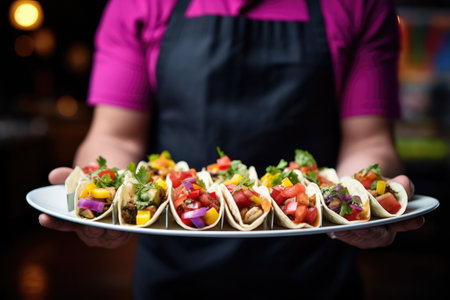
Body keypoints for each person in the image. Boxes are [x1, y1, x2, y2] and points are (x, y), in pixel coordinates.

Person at [39, 0, 425, 298]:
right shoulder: (137, 4)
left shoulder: (362, 5)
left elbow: (369, 140)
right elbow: (115, 137)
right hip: (173, 271)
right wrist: (99, 201)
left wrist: (364, 204)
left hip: (314, 266)